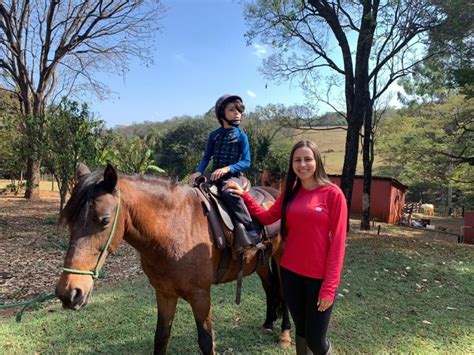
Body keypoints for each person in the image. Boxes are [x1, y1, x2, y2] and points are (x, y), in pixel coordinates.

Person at [224, 140, 347, 354]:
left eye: (307, 159)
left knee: (317, 340)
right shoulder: (291, 191)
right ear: (292, 164)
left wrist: (330, 287)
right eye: (297, 160)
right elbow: (267, 216)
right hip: (290, 274)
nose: (302, 164)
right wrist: (244, 195)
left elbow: (337, 243)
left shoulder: (333, 194)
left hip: (318, 279)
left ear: (317, 161)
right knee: (301, 330)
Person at [189, 94, 263, 249]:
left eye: (239, 111)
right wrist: (198, 171)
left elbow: (246, 161)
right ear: (222, 113)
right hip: (214, 176)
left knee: (229, 193)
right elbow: (206, 157)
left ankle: (250, 228)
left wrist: (227, 168)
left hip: (233, 176)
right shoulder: (214, 135)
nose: (237, 113)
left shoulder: (241, 136)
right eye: (232, 110)